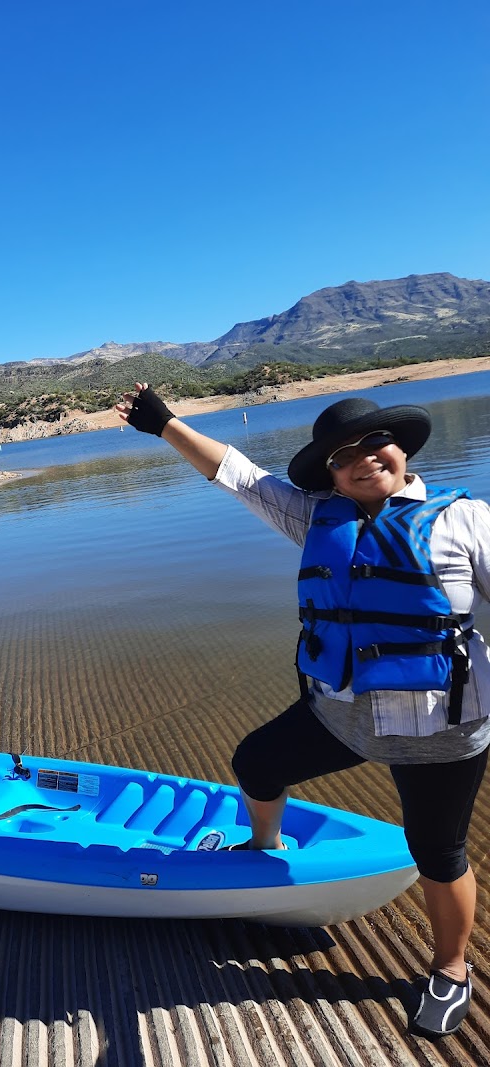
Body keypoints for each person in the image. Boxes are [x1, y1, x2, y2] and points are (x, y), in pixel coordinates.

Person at [116, 382, 490, 1039]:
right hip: (341, 716)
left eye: (376, 443)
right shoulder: (316, 516)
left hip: (440, 731)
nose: (364, 458)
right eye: (345, 455)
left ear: (401, 449)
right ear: (331, 475)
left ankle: (452, 969)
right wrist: (165, 423)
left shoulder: (466, 519)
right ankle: (265, 846)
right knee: (255, 762)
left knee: (438, 851)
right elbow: (236, 474)